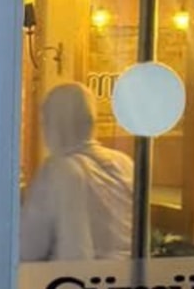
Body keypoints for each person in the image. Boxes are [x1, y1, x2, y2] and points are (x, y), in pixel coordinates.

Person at [20, 83, 133, 262]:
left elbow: (28, 248)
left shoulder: (57, 170)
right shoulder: (125, 163)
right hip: (129, 274)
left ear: (56, 125)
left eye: (45, 122)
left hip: (77, 276)